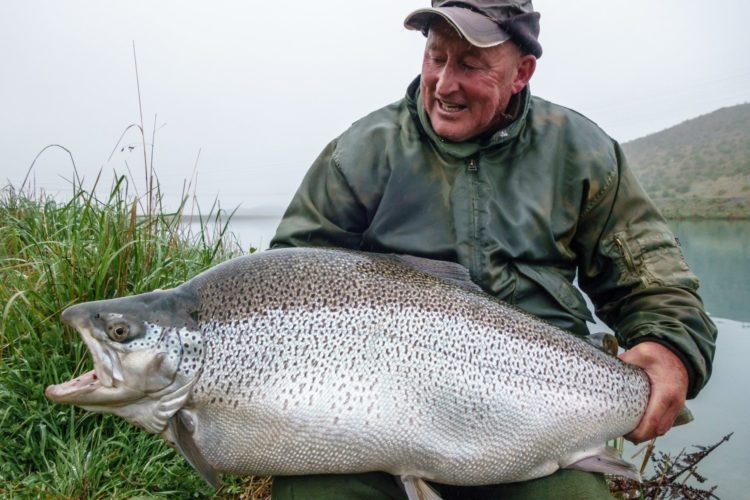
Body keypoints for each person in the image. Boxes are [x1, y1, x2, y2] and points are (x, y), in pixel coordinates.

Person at [269, 1, 717, 498]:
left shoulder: (582, 153)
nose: (443, 84)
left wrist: (671, 349)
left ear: (522, 72)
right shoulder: (360, 152)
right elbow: (288, 282)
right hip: (370, 420)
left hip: (538, 419)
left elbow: (657, 285)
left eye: (470, 64)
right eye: (436, 57)